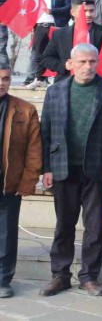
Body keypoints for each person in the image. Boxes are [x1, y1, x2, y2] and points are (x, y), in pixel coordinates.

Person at [39, 43, 102, 297]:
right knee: (64, 224)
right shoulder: (55, 91)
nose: (87, 66)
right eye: (82, 62)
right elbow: (45, 131)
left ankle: (89, 276)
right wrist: (46, 168)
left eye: (92, 62)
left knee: (94, 226)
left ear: (98, 62)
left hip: (97, 168)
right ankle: (60, 275)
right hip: (63, 166)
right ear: (70, 64)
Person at [0, 63, 42, 298]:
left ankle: (3, 279)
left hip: (9, 182)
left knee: (6, 235)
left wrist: (28, 180)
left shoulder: (25, 110)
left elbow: (34, 149)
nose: (1, 83)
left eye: (6, 78)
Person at [40, 0, 102, 82]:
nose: (88, 14)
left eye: (91, 11)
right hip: (66, 82)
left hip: (97, 82)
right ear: (72, 12)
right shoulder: (59, 34)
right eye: (84, 11)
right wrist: (64, 65)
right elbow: (46, 59)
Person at [26, 0, 71, 89]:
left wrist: (53, 11)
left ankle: (54, 78)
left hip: (57, 26)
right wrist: (31, 25)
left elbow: (68, 7)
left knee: (57, 52)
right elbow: (29, 6)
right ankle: (39, 78)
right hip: (40, 26)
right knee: (38, 53)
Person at [0, 0, 18, 65]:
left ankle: (4, 74)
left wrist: (6, 19)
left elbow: (17, 5)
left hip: (1, 24)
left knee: (1, 50)